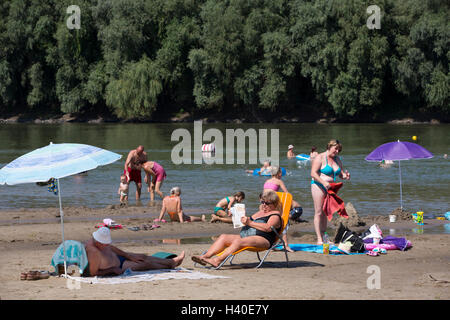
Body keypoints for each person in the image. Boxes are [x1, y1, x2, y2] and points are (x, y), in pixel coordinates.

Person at [192, 190, 282, 268]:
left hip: (264, 239)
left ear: (274, 204)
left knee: (238, 242)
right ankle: (205, 257)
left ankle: (217, 260)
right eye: (262, 202)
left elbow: (267, 228)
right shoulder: (261, 212)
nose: (264, 205)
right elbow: (247, 220)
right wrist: (236, 214)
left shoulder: (275, 215)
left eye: (267, 203)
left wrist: (250, 223)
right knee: (224, 237)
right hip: (248, 236)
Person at [84, 227, 185, 276]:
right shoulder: (93, 253)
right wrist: (112, 270)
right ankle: (170, 264)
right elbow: (93, 273)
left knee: (143, 257)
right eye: (105, 243)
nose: (106, 245)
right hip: (118, 266)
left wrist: (128, 255)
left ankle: (172, 262)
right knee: (146, 264)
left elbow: (111, 248)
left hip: (119, 258)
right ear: (99, 242)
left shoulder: (97, 241)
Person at [311, 139, 350, 244]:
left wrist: (345, 176)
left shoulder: (337, 159)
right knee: (319, 212)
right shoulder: (320, 157)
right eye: (336, 149)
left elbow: (340, 174)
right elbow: (313, 174)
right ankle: (319, 238)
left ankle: (324, 236)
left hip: (331, 187)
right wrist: (323, 183)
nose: (337, 151)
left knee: (325, 212)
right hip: (318, 185)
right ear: (329, 146)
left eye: (339, 150)